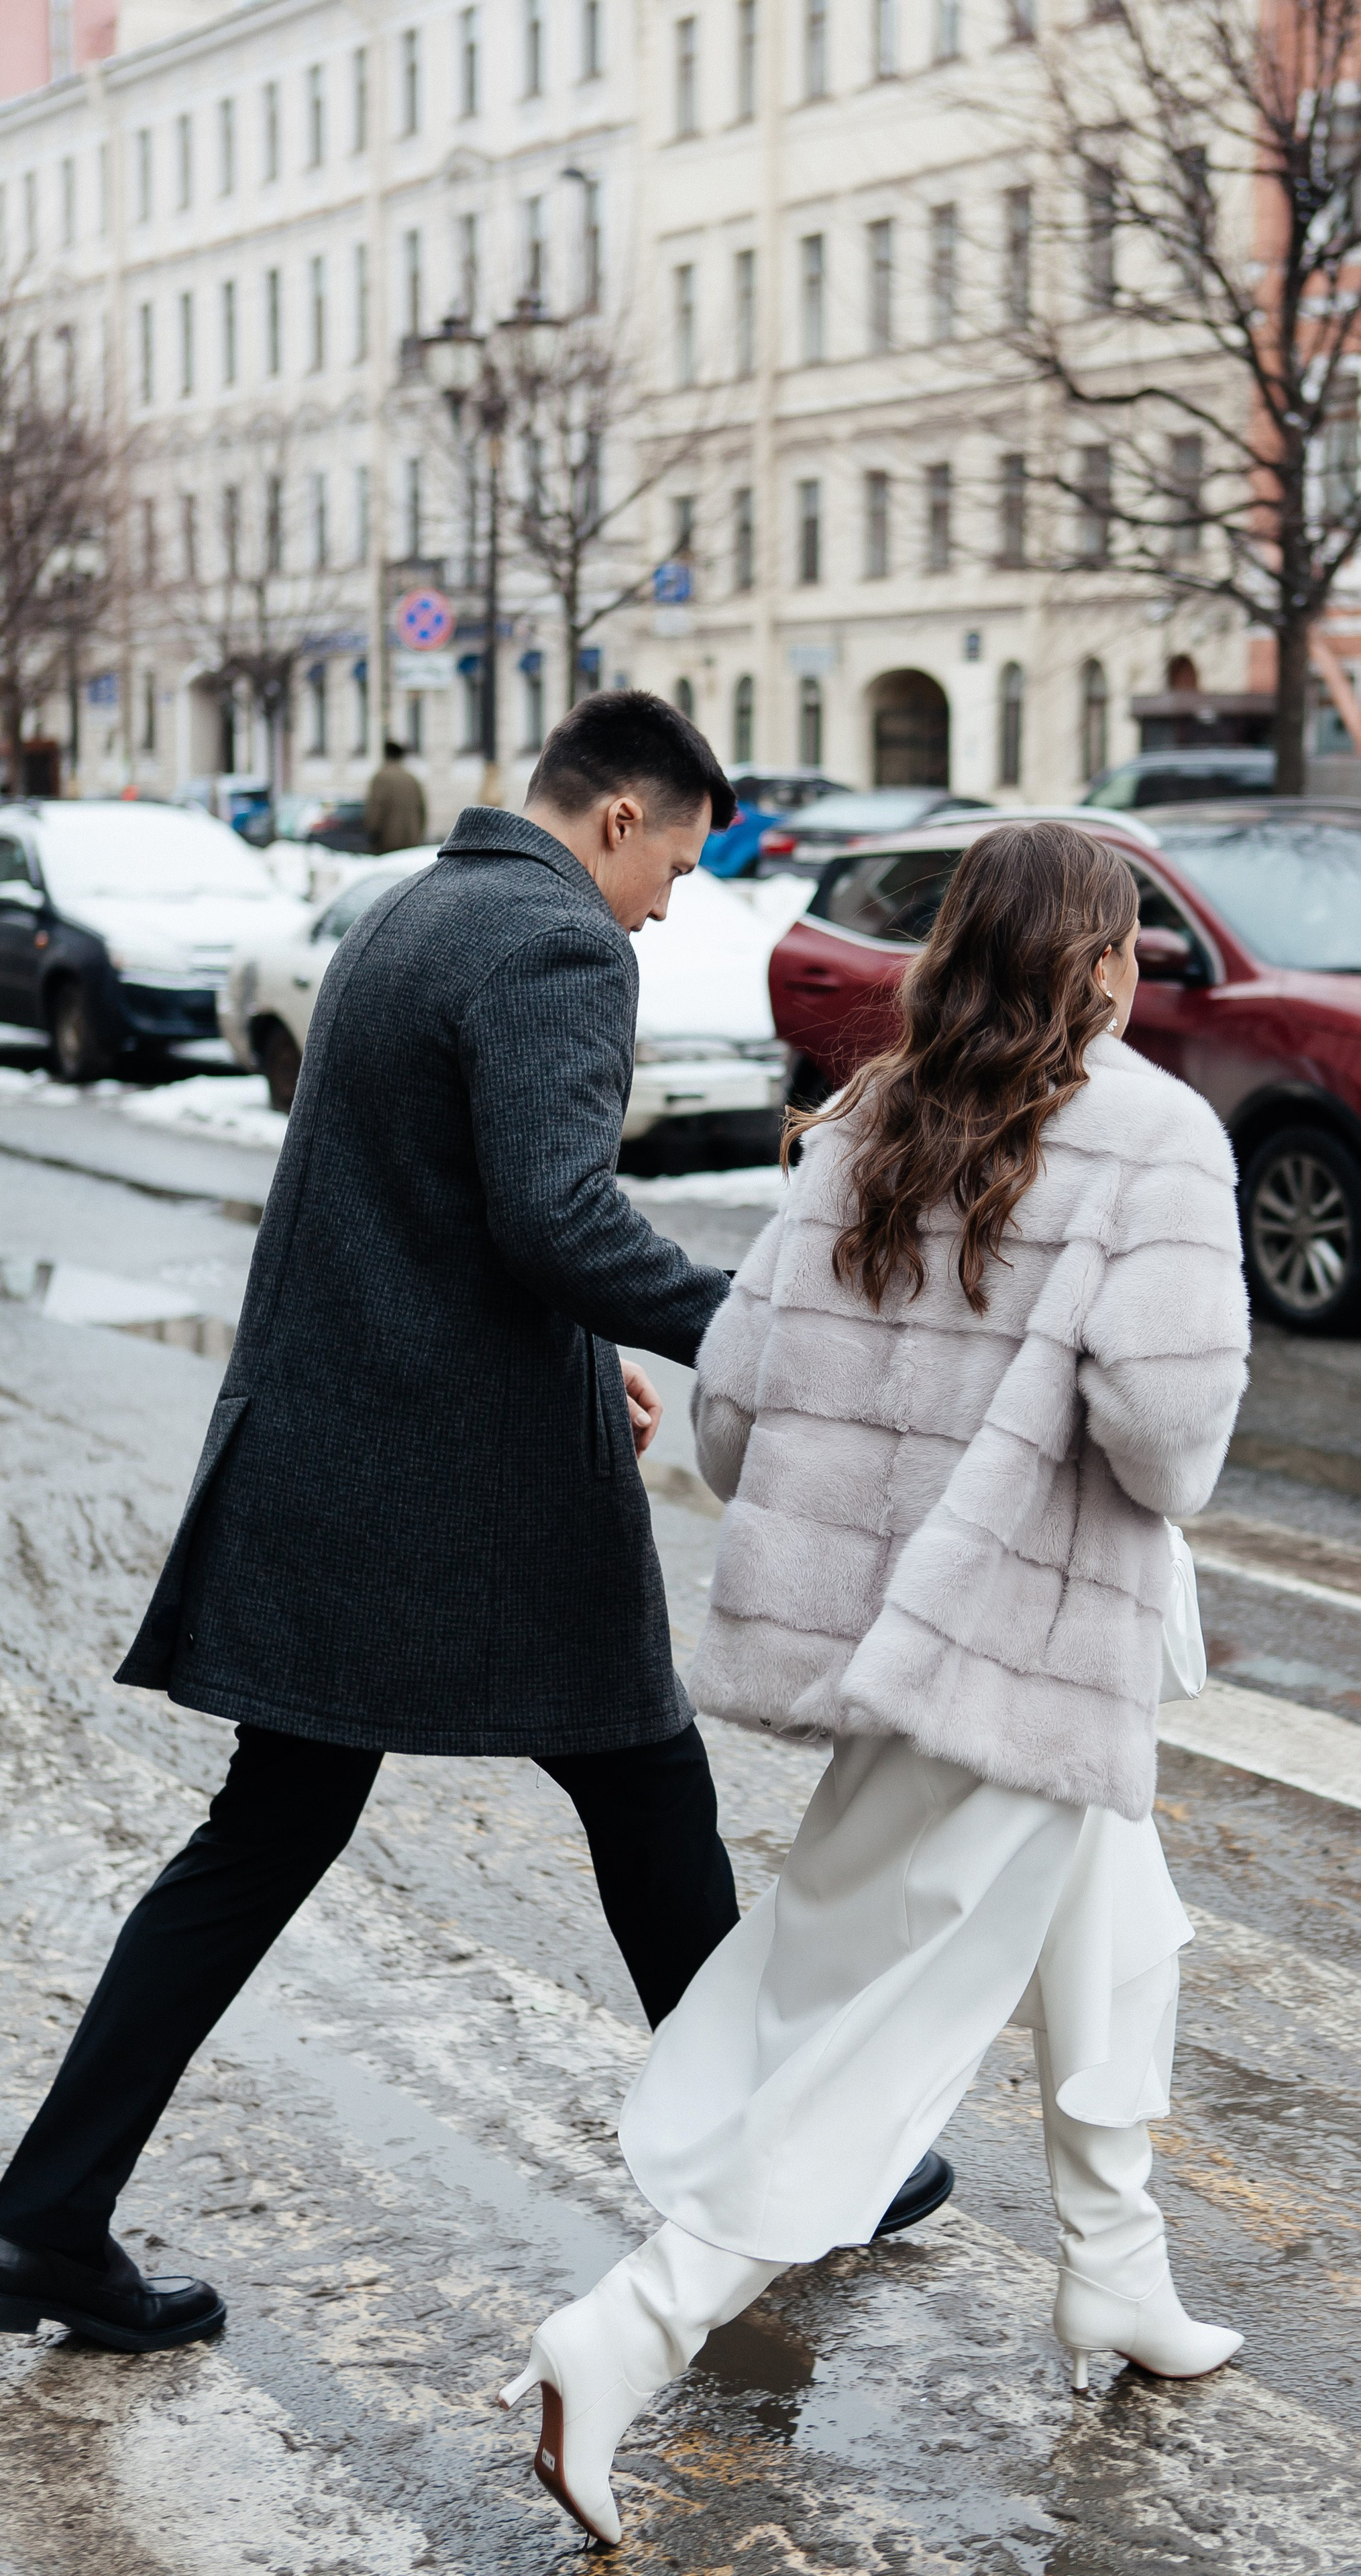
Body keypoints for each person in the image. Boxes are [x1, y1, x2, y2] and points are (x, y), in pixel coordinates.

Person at [0, 691, 944, 2358]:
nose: (665, 906)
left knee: (292, 1831)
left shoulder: (408, 909)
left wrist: (579, 1357)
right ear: (617, 821)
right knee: (643, 1792)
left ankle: (46, 2216)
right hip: (463, 1495)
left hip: (346, 1456)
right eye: (674, 864)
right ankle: (786, 2156)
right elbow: (554, 1215)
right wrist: (762, 1333)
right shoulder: (558, 944)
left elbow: (429, 1204)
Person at [496, 820, 1252, 2544]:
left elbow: (735, 1412)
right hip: (1027, 1638)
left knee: (1114, 1928)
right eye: (1127, 940)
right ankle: (626, 2332)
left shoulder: (865, 1121)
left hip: (908, 1640)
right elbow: (1166, 1443)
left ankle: (1115, 2264)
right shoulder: (1150, 1138)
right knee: (874, 2030)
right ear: (1099, 960)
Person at [364, 738, 427, 853]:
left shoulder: (381, 778)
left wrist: (372, 834)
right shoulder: (412, 779)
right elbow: (422, 811)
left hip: (388, 842)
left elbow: (376, 811)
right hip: (411, 841)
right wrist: (418, 834)